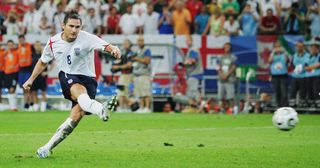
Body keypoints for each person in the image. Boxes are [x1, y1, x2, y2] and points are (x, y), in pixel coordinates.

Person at [22, 10, 121, 158]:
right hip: (68, 75)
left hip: (89, 79)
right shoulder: (53, 42)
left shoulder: (87, 38)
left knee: (76, 116)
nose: (74, 30)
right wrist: (30, 79)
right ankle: (101, 110)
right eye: (71, 26)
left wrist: (114, 49)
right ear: (63, 25)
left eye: (77, 27)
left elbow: (106, 46)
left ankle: (46, 148)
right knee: (78, 91)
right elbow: (43, 62)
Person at [111, 39, 135, 112]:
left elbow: (129, 65)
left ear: (130, 45)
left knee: (122, 92)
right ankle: (124, 107)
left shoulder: (131, 53)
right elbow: (116, 65)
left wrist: (118, 67)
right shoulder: (124, 54)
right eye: (124, 43)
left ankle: (123, 107)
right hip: (123, 74)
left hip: (128, 75)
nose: (125, 45)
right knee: (122, 92)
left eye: (126, 43)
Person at [132, 36, 152, 113]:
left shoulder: (147, 50)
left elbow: (147, 61)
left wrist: (137, 59)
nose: (140, 42)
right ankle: (142, 107)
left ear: (143, 41)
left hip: (144, 74)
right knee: (139, 92)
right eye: (138, 41)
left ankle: (147, 107)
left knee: (146, 92)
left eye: (141, 40)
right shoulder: (138, 51)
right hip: (137, 74)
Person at [183, 35, 203, 112]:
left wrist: (184, 63)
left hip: (194, 73)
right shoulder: (190, 50)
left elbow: (193, 60)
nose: (187, 42)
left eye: (189, 40)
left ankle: (199, 106)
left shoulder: (193, 50)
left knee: (192, 92)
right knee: (191, 91)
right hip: (192, 74)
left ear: (192, 41)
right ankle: (193, 108)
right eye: (186, 41)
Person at [217, 42, 237, 113]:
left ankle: (231, 109)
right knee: (221, 97)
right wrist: (222, 75)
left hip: (230, 79)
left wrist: (227, 75)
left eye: (228, 47)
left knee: (230, 97)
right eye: (225, 47)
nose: (226, 48)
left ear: (230, 48)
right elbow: (218, 67)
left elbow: (234, 67)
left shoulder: (233, 57)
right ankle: (222, 109)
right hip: (221, 79)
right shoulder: (220, 57)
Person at [268, 41, 289, 107]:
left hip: (283, 76)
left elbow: (286, 61)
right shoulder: (272, 55)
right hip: (275, 76)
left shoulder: (284, 54)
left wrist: (284, 52)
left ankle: (285, 107)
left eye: (279, 46)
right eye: (276, 47)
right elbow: (269, 61)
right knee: (277, 92)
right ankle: (278, 106)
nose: (278, 48)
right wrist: (273, 53)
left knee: (284, 93)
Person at [30, 41, 49, 112]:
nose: (37, 46)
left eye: (39, 45)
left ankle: (43, 107)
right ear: (34, 46)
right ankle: (35, 107)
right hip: (34, 76)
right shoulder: (32, 55)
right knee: (34, 92)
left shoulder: (44, 54)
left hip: (42, 76)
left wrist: (47, 72)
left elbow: (53, 63)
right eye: (36, 45)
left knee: (43, 91)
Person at [289, 41, 308, 107]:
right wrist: (295, 70)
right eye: (298, 46)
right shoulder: (294, 56)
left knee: (303, 92)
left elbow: (308, 65)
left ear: (303, 47)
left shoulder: (307, 55)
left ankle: (302, 106)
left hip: (304, 76)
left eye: (301, 46)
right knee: (292, 92)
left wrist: (303, 69)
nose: (299, 48)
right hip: (295, 76)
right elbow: (292, 65)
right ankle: (292, 106)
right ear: (296, 47)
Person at [17, 34, 33, 110]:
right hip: (21, 71)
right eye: (20, 40)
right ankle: (27, 103)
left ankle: (29, 104)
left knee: (28, 88)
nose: (21, 41)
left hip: (28, 70)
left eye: (22, 39)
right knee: (24, 88)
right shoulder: (17, 47)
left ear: (24, 39)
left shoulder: (30, 46)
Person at [4, 40, 19, 111]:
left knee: (12, 89)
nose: (10, 46)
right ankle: (13, 107)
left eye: (11, 45)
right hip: (7, 74)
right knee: (10, 91)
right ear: (7, 46)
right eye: (9, 45)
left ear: (13, 45)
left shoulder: (16, 52)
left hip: (14, 74)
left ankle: (13, 107)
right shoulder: (5, 53)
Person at [305, 39, 320, 107]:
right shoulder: (308, 56)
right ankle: (311, 105)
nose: (313, 49)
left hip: (317, 76)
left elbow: (319, 64)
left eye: (314, 48)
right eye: (312, 48)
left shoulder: (319, 56)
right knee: (309, 91)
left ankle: (318, 105)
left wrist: (310, 67)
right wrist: (313, 66)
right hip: (309, 76)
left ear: (317, 49)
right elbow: (305, 67)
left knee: (316, 91)